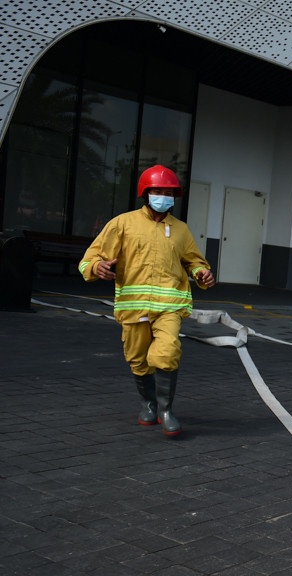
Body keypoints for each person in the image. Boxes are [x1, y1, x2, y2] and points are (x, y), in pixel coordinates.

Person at [79, 164, 215, 436]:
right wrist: (96, 267)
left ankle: (166, 411)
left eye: (169, 192)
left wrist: (201, 273)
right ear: (146, 193)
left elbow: (193, 261)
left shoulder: (180, 229)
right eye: (159, 191)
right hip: (134, 307)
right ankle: (149, 404)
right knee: (138, 359)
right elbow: (89, 259)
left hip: (169, 308)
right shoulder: (122, 224)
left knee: (166, 353)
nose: (164, 197)